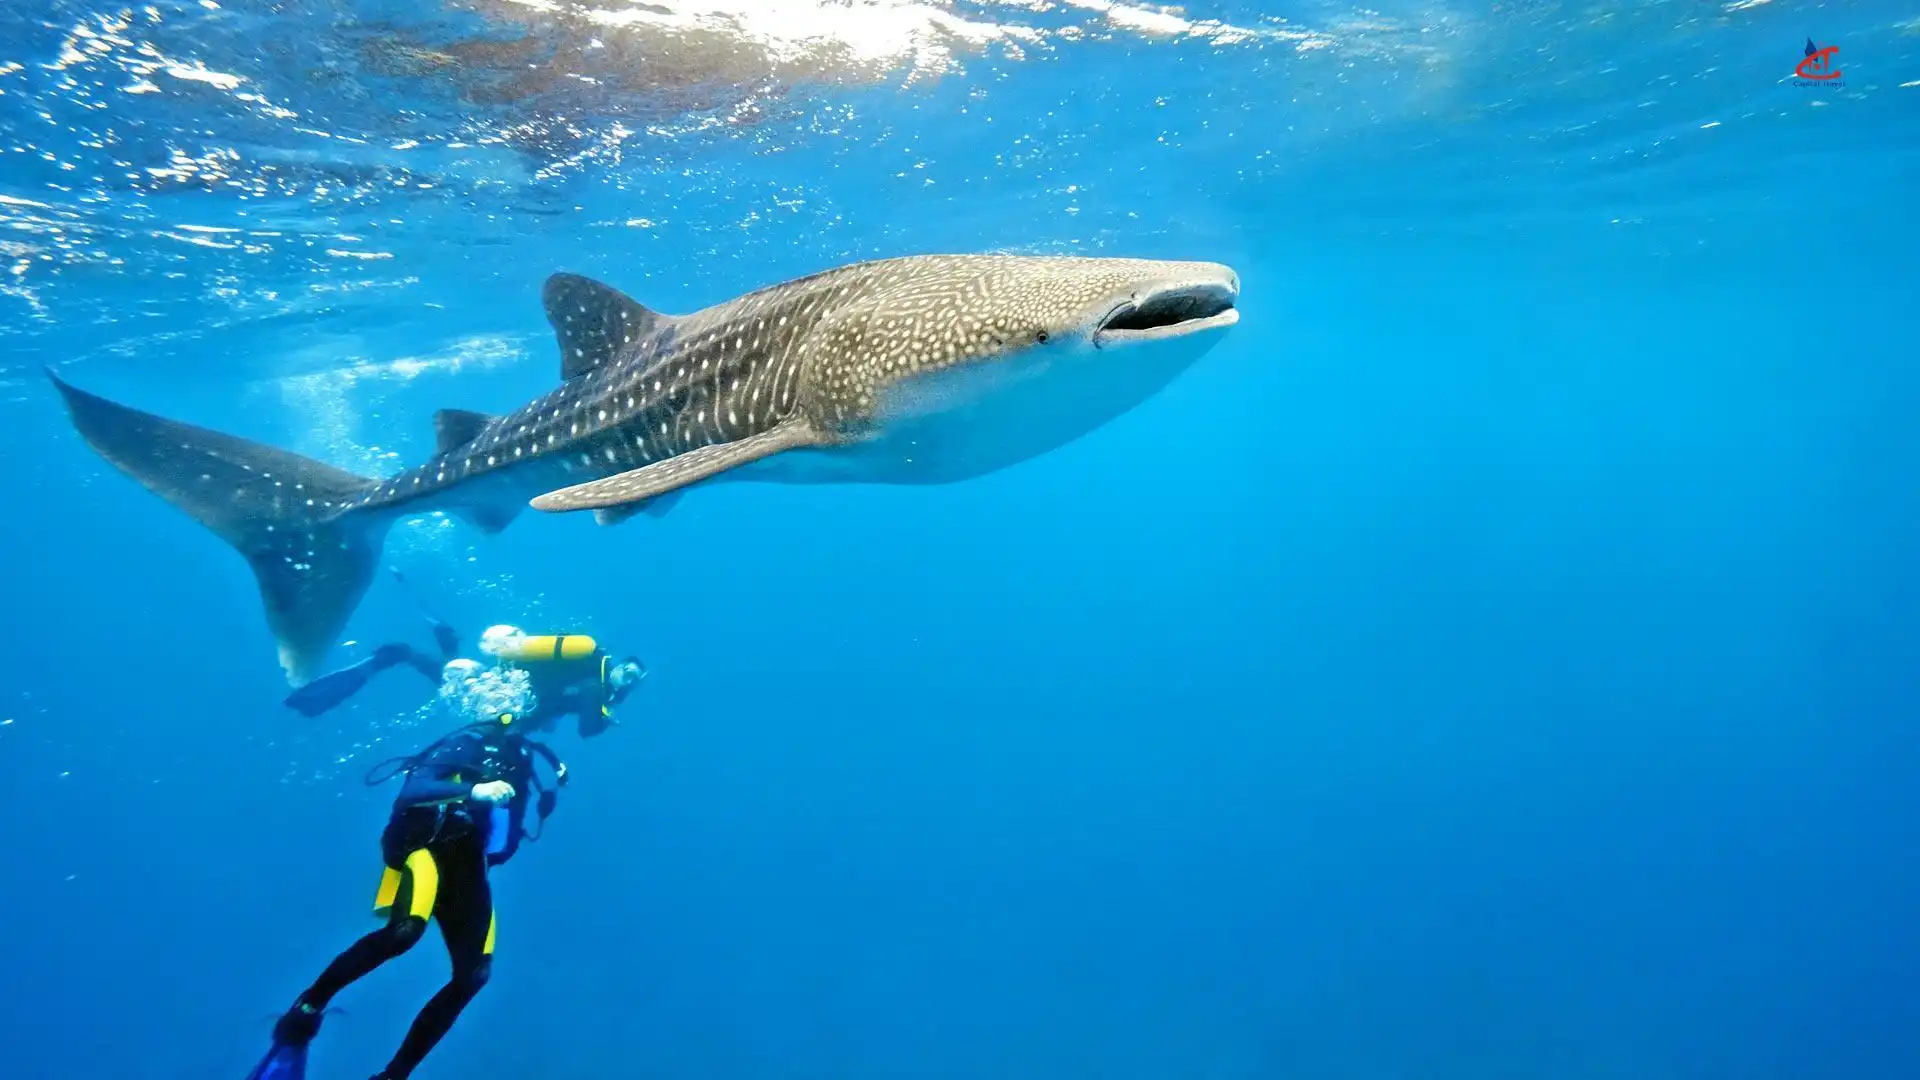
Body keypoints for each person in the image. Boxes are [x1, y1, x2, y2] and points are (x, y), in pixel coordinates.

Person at [249, 693, 568, 1080]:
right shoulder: (465, 742)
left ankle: (393, 1075)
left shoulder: (520, 760)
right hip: (426, 847)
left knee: (474, 976)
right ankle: (308, 1007)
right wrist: (473, 792)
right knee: (404, 933)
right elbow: (413, 791)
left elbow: (508, 836)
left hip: (468, 865)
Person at [476, 623, 646, 739]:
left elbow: (563, 699)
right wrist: (605, 722)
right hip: (518, 691)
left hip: (523, 697)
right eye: (628, 674)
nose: (628, 682)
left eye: (633, 682)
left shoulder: (598, 684)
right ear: (618, 667)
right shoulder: (596, 685)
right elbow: (586, 729)